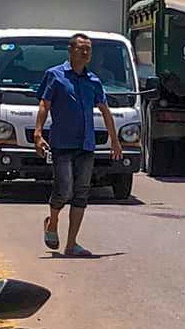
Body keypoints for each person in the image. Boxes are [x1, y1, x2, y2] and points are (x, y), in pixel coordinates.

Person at [34, 33, 123, 257]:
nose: (85, 53)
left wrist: (115, 140)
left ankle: (71, 244)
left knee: (82, 192)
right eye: (82, 48)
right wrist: (37, 133)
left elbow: (104, 109)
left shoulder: (93, 81)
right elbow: (45, 104)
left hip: (86, 145)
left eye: (89, 49)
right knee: (64, 189)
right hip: (62, 143)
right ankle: (52, 222)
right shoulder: (55, 75)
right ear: (71, 51)